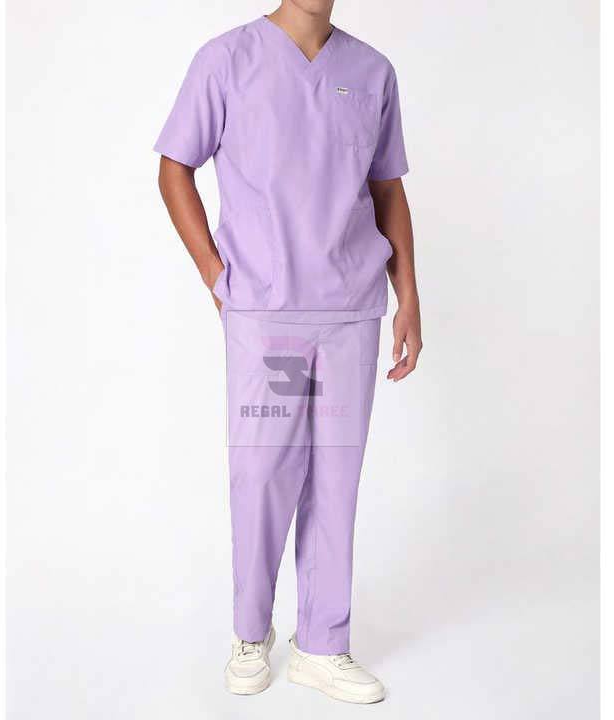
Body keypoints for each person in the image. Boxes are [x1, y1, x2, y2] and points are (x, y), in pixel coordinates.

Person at [155, 0, 420, 704]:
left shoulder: (372, 71)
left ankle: (323, 645)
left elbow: (387, 188)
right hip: (267, 312)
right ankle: (250, 634)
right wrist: (216, 275)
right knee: (263, 472)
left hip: (351, 308)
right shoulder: (226, 61)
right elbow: (174, 166)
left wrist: (409, 296)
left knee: (337, 476)